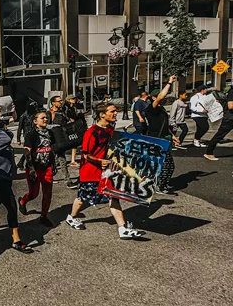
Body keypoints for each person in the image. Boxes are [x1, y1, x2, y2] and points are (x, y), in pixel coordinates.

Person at [65, 103, 144, 239]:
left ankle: (122, 228)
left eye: (116, 111)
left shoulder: (110, 129)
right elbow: (85, 154)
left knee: (114, 196)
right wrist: (99, 161)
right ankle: (71, 217)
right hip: (91, 173)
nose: (115, 114)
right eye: (112, 111)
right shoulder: (91, 132)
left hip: (107, 172)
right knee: (83, 198)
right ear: (102, 114)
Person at [0, 120, 33, 253]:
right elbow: (6, 137)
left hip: (6, 177)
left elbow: (7, 135)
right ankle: (16, 240)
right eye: (2, 129)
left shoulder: (1, 139)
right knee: (12, 207)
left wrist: (0, 124)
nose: (5, 130)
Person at [18, 112, 56, 228]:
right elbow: (27, 152)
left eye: (46, 117)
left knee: (47, 193)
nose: (45, 119)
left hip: (47, 167)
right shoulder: (31, 135)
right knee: (34, 194)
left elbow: (52, 149)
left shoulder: (50, 133)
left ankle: (44, 216)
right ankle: (22, 201)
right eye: (42, 118)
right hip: (34, 167)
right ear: (35, 121)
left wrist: (53, 164)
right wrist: (31, 169)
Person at [144, 77, 180, 193]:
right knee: (167, 165)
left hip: (163, 139)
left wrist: (173, 136)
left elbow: (165, 125)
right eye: (159, 96)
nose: (164, 98)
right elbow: (161, 96)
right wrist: (169, 82)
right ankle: (160, 186)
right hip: (156, 140)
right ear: (154, 98)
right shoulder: (151, 109)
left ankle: (160, 184)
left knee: (164, 165)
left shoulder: (161, 109)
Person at [47, 96, 77, 189]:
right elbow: (46, 125)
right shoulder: (50, 113)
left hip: (62, 139)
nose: (61, 102)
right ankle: (67, 181)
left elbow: (69, 121)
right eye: (59, 101)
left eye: (61, 100)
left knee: (57, 159)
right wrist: (56, 127)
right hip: (54, 140)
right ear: (53, 103)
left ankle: (50, 175)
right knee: (61, 159)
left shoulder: (62, 112)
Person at [204, 83, 233, 161]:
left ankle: (209, 152)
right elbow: (231, 106)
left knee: (219, 135)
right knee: (219, 135)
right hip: (230, 119)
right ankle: (208, 152)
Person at [16, 101, 38, 170]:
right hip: (27, 135)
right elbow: (19, 128)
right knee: (28, 150)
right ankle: (23, 163)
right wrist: (18, 139)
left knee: (32, 150)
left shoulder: (35, 115)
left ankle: (21, 162)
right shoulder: (23, 116)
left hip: (34, 134)